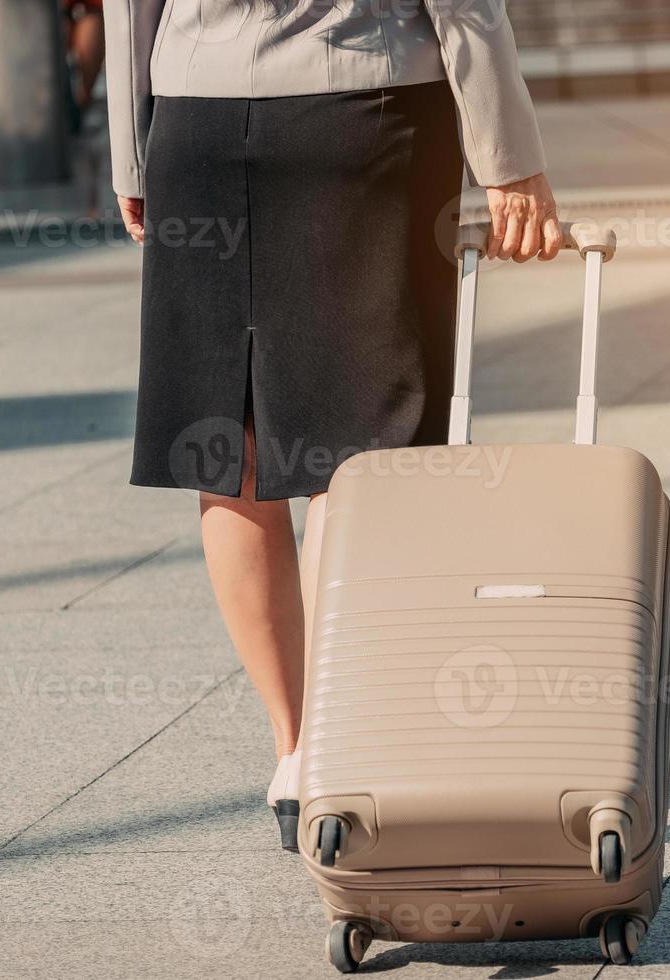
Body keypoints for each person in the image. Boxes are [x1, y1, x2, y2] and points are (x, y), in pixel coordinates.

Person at [102, 0, 562, 850]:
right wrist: (510, 156)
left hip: (196, 117)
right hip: (363, 106)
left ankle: (297, 750)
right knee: (365, 456)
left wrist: (134, 148)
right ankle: (341, 741)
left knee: (229, 441)